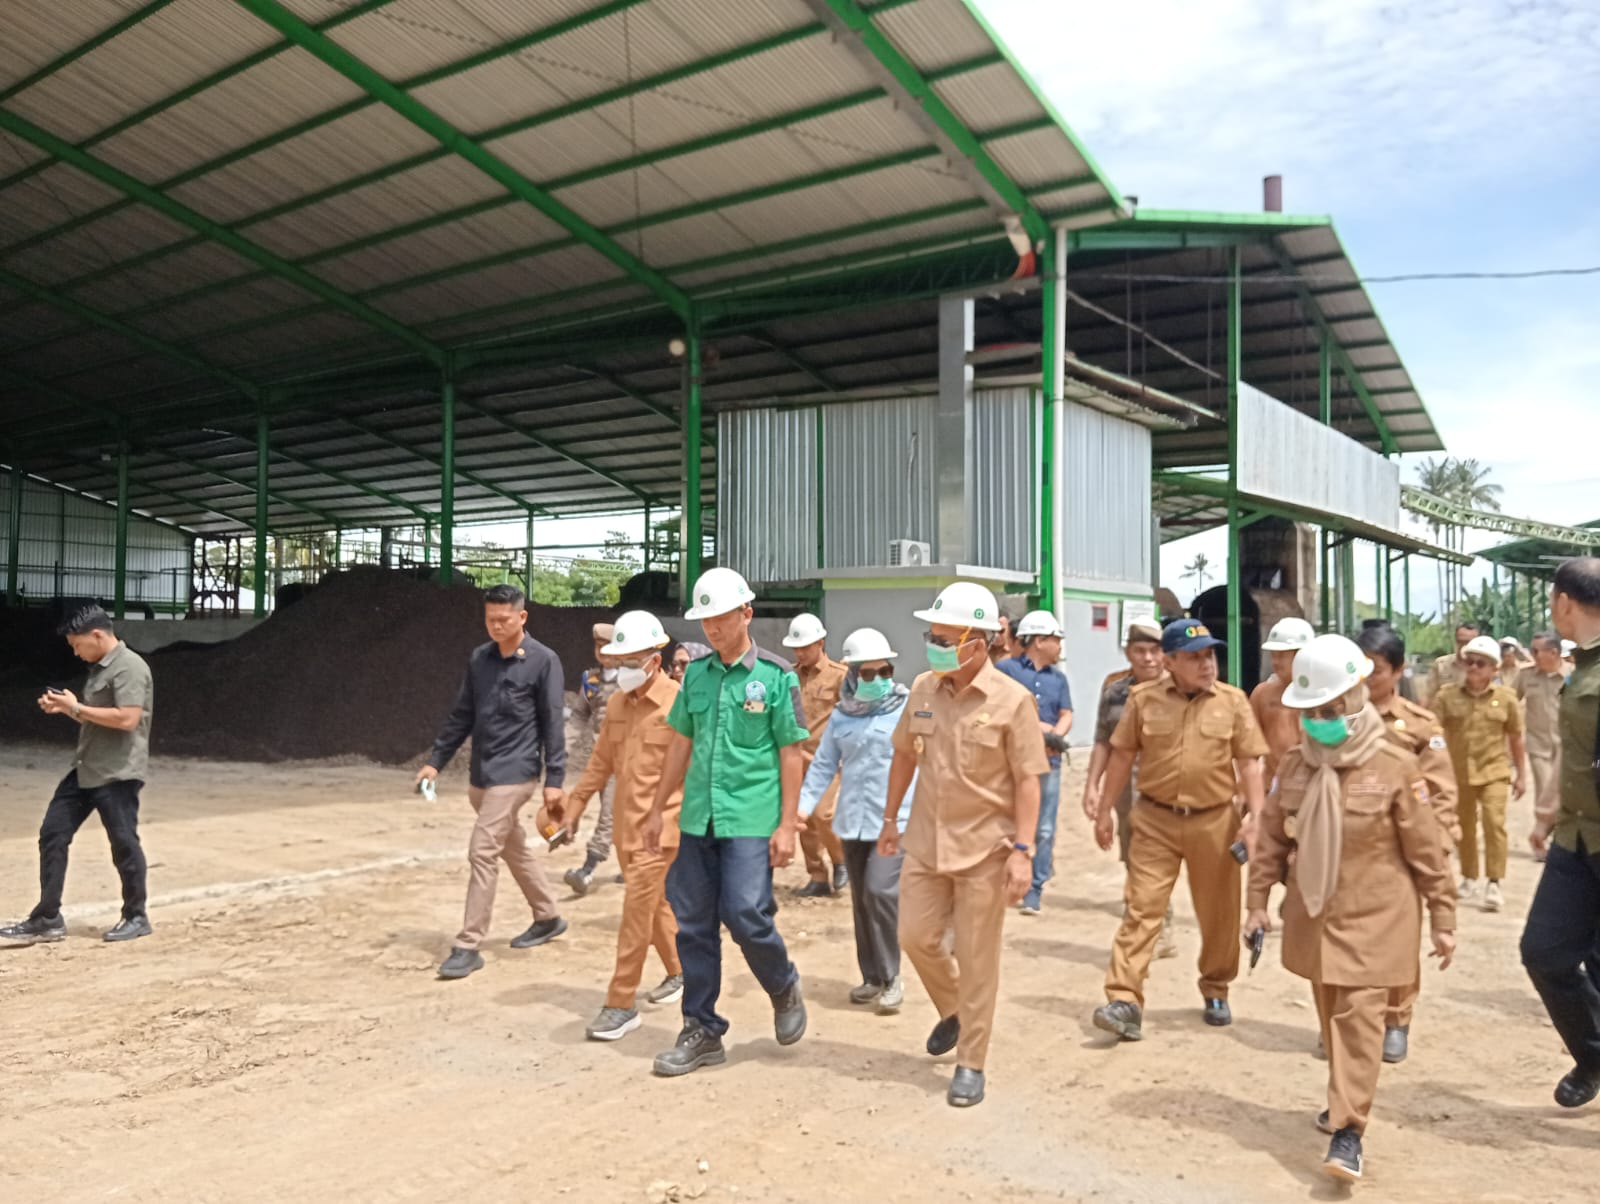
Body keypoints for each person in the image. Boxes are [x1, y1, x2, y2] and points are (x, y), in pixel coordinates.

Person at [1246, 634, 1455, 1183]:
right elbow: (1272, 839)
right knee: (1331, 1018)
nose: (1319, 720)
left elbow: (1427, 850)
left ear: (1356, 698)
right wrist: (1257, 903)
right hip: (1315, 917)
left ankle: (1348, 1131)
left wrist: (1443, 918)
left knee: (1359, 1022)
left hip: (1378, 918)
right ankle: (1343, 1099)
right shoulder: (1296, 766)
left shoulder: (1395, 766)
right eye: (1311, 711)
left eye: (1330, 708)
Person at [881, 581, 1048, 1107]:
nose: (933, 646)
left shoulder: (1013, 701)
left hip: (986, 851)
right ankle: (954, 1008)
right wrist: (889, 818)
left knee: (977, 959)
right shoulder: (923, 689)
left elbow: (1028, 780)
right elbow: (905, 755)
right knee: (914, 936)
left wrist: (1023, 852)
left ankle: (971, 1061)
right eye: (931, 636)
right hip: (926, 841)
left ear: (978, 643)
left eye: (944, 639)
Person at [641, 567, 810, 1076]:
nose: (713, 628)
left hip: (751, 815)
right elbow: (681, 742)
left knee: (744, 911)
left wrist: (787, 826)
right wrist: (657, 808)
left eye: (722, 617)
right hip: (699, 816)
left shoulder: (776, 677)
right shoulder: (695, 674)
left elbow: (791, 752)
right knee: (693, 923)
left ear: (746, 614)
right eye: (706, 620)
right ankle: (702, 1030)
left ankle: (782, 984)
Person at [1090, 618, 1267, 1041]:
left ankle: (1216, 987)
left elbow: (1249, 764)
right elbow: (1121, 756)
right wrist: (1104, 810)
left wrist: (1256, 819)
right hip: (1155, 821)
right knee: (1142, 909)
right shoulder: (1143, 700)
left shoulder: (1233, 701)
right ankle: (1124, 999)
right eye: (1194, 657)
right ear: (1169, 662)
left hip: (1215, 822)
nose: (1207, 664)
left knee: (1219, 914)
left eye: (1210, 655)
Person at [417, 584, 568, 980]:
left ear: (522, 617)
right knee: (512, 847)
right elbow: (461, 715)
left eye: (504, 619)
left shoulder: (544, 661)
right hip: (482, 775)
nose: (497, 626)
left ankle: (468, 945)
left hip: (517, 774)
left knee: (482, 850)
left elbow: (553, 723)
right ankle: (548, 916)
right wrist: (435, 762)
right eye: (490, 619)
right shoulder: (479, 659)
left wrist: (554, 778)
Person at [554, 611, 685, 1042]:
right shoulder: (615, 704)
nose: (622, 668)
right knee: (654, 906)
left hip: (662, 830)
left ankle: (620, 1003)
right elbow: (600, 763)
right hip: (627, 831)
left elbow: (699, 767)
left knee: (635, 911)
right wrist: (574, 806)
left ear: (655, 659)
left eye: (631, 661)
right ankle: (680, 970)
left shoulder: (679, 704)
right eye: (619, 660)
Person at [1, 605, 154, 945]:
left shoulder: (129, 667)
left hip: (117, 771)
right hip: (86, 767)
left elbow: (127, 718)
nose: (75, 652)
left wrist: (77, 707)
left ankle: (136, 916)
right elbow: (97, 718)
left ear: (97, 635)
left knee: (123, 843)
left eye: (76, 644)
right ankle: (47, 917)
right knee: (53, 833)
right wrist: (68, 709)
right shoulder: (99, 669)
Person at [1354, 624, 1460, 1065]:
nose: (1366, 679)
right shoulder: (1335, 719)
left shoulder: (1419, 725)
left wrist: (1435, 849)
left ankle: (1396, 1018)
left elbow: (1441, 794)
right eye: (1358, 669)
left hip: (1400, 851)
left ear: (1398, 671)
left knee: (1397, 940)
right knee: (1344, 938)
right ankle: (1347, 1019)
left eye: (1376, 670)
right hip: (1349, 849)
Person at [798, 627, 911, 1012]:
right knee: (862, 900)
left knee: (880, 891)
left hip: (895, 821)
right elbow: (824, 764)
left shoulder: (906, 709)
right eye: (868, 673)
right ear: (852, 674)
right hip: (853, 821)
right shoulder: (842, 715)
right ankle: (872, 976)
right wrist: (803, 807)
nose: (879, 679)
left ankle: (892, 975)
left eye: (885, 671)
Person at [1522, 557, 1600, 1110]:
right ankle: (1595, 1054)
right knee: (1543, 951)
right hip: (1576, 837)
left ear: (1563, 602)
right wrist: (1547, 813)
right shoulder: (1583, 665)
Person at [1081, 617, 1176, 957]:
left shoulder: (1181, 691)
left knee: (1159, 859)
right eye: (1140, 651)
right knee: (1132, 854)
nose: (1148, 658)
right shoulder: (1115, 692)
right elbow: (1102, 742)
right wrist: (1092, 785)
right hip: (1125, 791)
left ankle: (1160, 926)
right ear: (1128, 653)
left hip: (1167, 791)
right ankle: (1142, 917)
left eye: (1154, 650)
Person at [1433, 634, 1527, 911]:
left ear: (1494, 669)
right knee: (1464, 827)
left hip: (1494, 771)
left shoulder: (1506, 699)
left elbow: (1516, 738)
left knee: (1493, 823)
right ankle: (1469, 877)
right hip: (1459, 773)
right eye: (1470, 662)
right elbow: (1433, 733)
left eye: (1481, 663)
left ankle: (1494, 882)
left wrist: (1521, 775)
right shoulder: (1447, 696)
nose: (1473, 667)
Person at [996, 609, 1074, 915]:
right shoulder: (1006, 671)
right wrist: (1040, 729)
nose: (1059, 646)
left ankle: (1034, 889)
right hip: (1009, 762)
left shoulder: (1059, 679)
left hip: (1048, 762)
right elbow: (1000, 709)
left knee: (1044, 829)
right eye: (1056, 639)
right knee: (1005, 822)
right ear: (1039, 641)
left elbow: (1066, 713)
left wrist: (1055, 736)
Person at [783, 613, 850, 898]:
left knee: (824, 815)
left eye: (805, 647)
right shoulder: (789, 676)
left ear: (820, 643)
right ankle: (817, 875)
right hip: (796, 759)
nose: (799, 653)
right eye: (796, 648)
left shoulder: (839, 675)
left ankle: (841, 859)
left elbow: (850, 715)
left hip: (826, 761)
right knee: (804, 822)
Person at [565, 623, 621, 896]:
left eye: (608, 646)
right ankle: (632, 866)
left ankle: (588, 868)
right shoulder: (591, 680)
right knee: (618, 813)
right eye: (599, 646)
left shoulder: (633, 679)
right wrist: (563, 747)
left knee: (608, 813)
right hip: (601, 759)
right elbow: (579, 716)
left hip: (626, 759)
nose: (603, 651)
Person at [1516, 632, 1567, 863]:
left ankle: (1558, 841)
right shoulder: (1526, 675)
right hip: (1538, 745)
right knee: (1545, 789)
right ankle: (1542, 842)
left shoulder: (1572, 675)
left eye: (1537, 651)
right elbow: (1509, 699)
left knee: (1564, 795)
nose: (1533, 655)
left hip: (1566, 746)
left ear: (1554, 653)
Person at [1252, 617, 1316, 783]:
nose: (1275, 662)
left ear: (1301, 655)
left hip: (1313, 784)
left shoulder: (1323, 695)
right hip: (1272, 786)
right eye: (1273, 655)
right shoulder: (1262, 694)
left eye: (1281, 655)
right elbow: (1249, 747)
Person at [1424, 621, 1481, 703]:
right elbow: (1428, 696)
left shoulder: (1485, 667)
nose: (1464, 646)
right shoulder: (1441, 664)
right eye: (1460, 642)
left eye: (1469, 642)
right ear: (1456, 641)